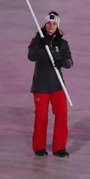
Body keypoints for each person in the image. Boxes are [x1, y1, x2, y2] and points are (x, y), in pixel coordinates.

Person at [27, 11, 73, 158]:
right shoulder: (37, 41)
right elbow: (31, 56)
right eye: (48, 23)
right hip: (41, 86)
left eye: (54, 24)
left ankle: (59, 147)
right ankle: (39, 147)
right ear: (45, 24)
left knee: (62, 116)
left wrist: (63, 62)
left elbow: (70, 62)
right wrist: (41, 46)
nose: (51, 26)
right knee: (41, 117)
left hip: (58, 86)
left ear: (57, 25)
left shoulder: (63, 43)